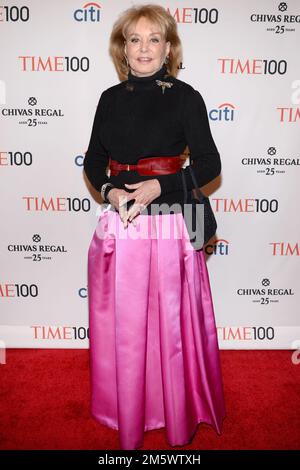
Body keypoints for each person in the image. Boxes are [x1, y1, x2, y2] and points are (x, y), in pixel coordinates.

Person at [83, 3, 226, 450]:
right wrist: (111, 192)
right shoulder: (109, 98)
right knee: (126, 331)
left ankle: (177, 410)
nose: (144, 48)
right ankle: (128, 407)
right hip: (121, 226)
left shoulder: (186, 97)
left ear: (168, 49)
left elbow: (209, 164)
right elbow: (92, 161)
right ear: (123, 49)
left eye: (154, 39)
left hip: (169, 229)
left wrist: (157, 188)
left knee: (171, 330)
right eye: (134, 39)